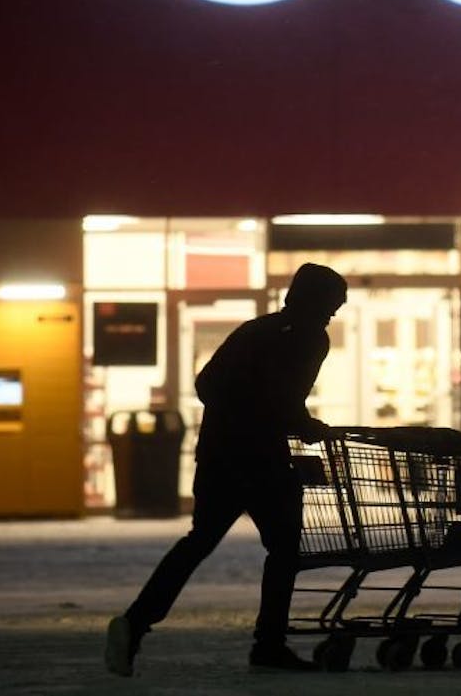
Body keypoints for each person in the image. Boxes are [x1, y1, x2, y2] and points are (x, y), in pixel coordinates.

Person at [104, 263, 348, 676]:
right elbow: (285, 399)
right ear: (313, 301)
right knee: (285, 549)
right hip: (262, 461)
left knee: (198, 541)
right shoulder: (308, 339)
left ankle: (136, 622)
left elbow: (207, 386)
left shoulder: (254, 331)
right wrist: (303, 427)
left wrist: (244, 413)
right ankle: (268, 645)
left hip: (218, 456)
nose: (332, 315)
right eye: (330, 306)